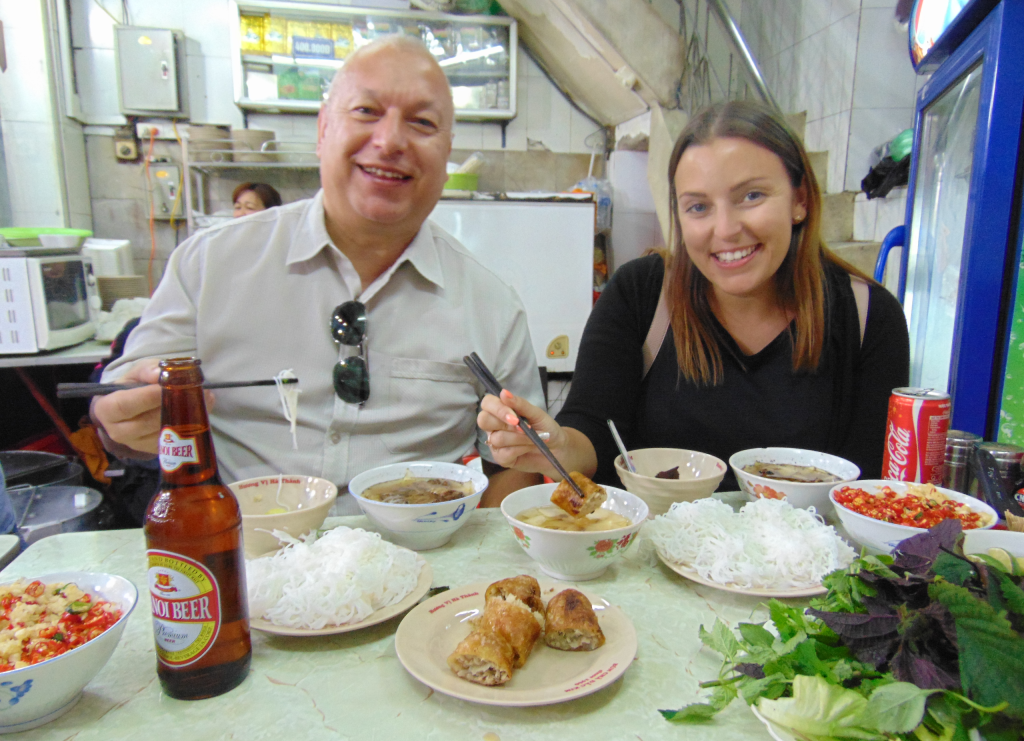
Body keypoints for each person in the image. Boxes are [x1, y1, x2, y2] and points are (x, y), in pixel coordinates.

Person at [91, 35, 544, 513]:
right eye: (366, 111)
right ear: (323, 129)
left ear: (447, 153)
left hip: (424, 564)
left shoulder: (492, 303)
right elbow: (120, 412)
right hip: (248, 554)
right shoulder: (208, 265)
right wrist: (118, 420)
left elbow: (518, 460)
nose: (390, 141)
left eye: (422, 122)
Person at [479, 101, 910, 490]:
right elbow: (590, 430)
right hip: (650, 570)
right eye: (698, 207)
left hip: (808, 573)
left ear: (799, 200)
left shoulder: (868, 317)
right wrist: (553, 445)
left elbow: (871, 490)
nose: (725, 230)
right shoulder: (641, 294)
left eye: (751, 196)